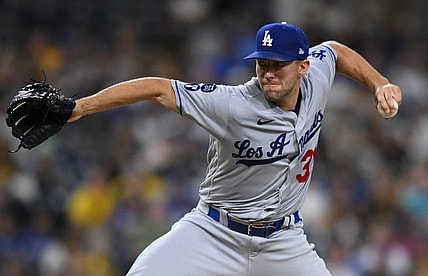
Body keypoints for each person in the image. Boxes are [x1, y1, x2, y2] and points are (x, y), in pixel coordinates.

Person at [68, 22, 402, 275]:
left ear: (303, 66)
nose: (268, 73)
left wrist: (379, 83)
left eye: (278, 64)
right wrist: (81, 106)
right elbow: (157, 88)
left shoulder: (317, 77)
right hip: (214, 232)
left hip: (283, 240)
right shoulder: (232, 104)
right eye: (262, 63)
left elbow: (335, 50)